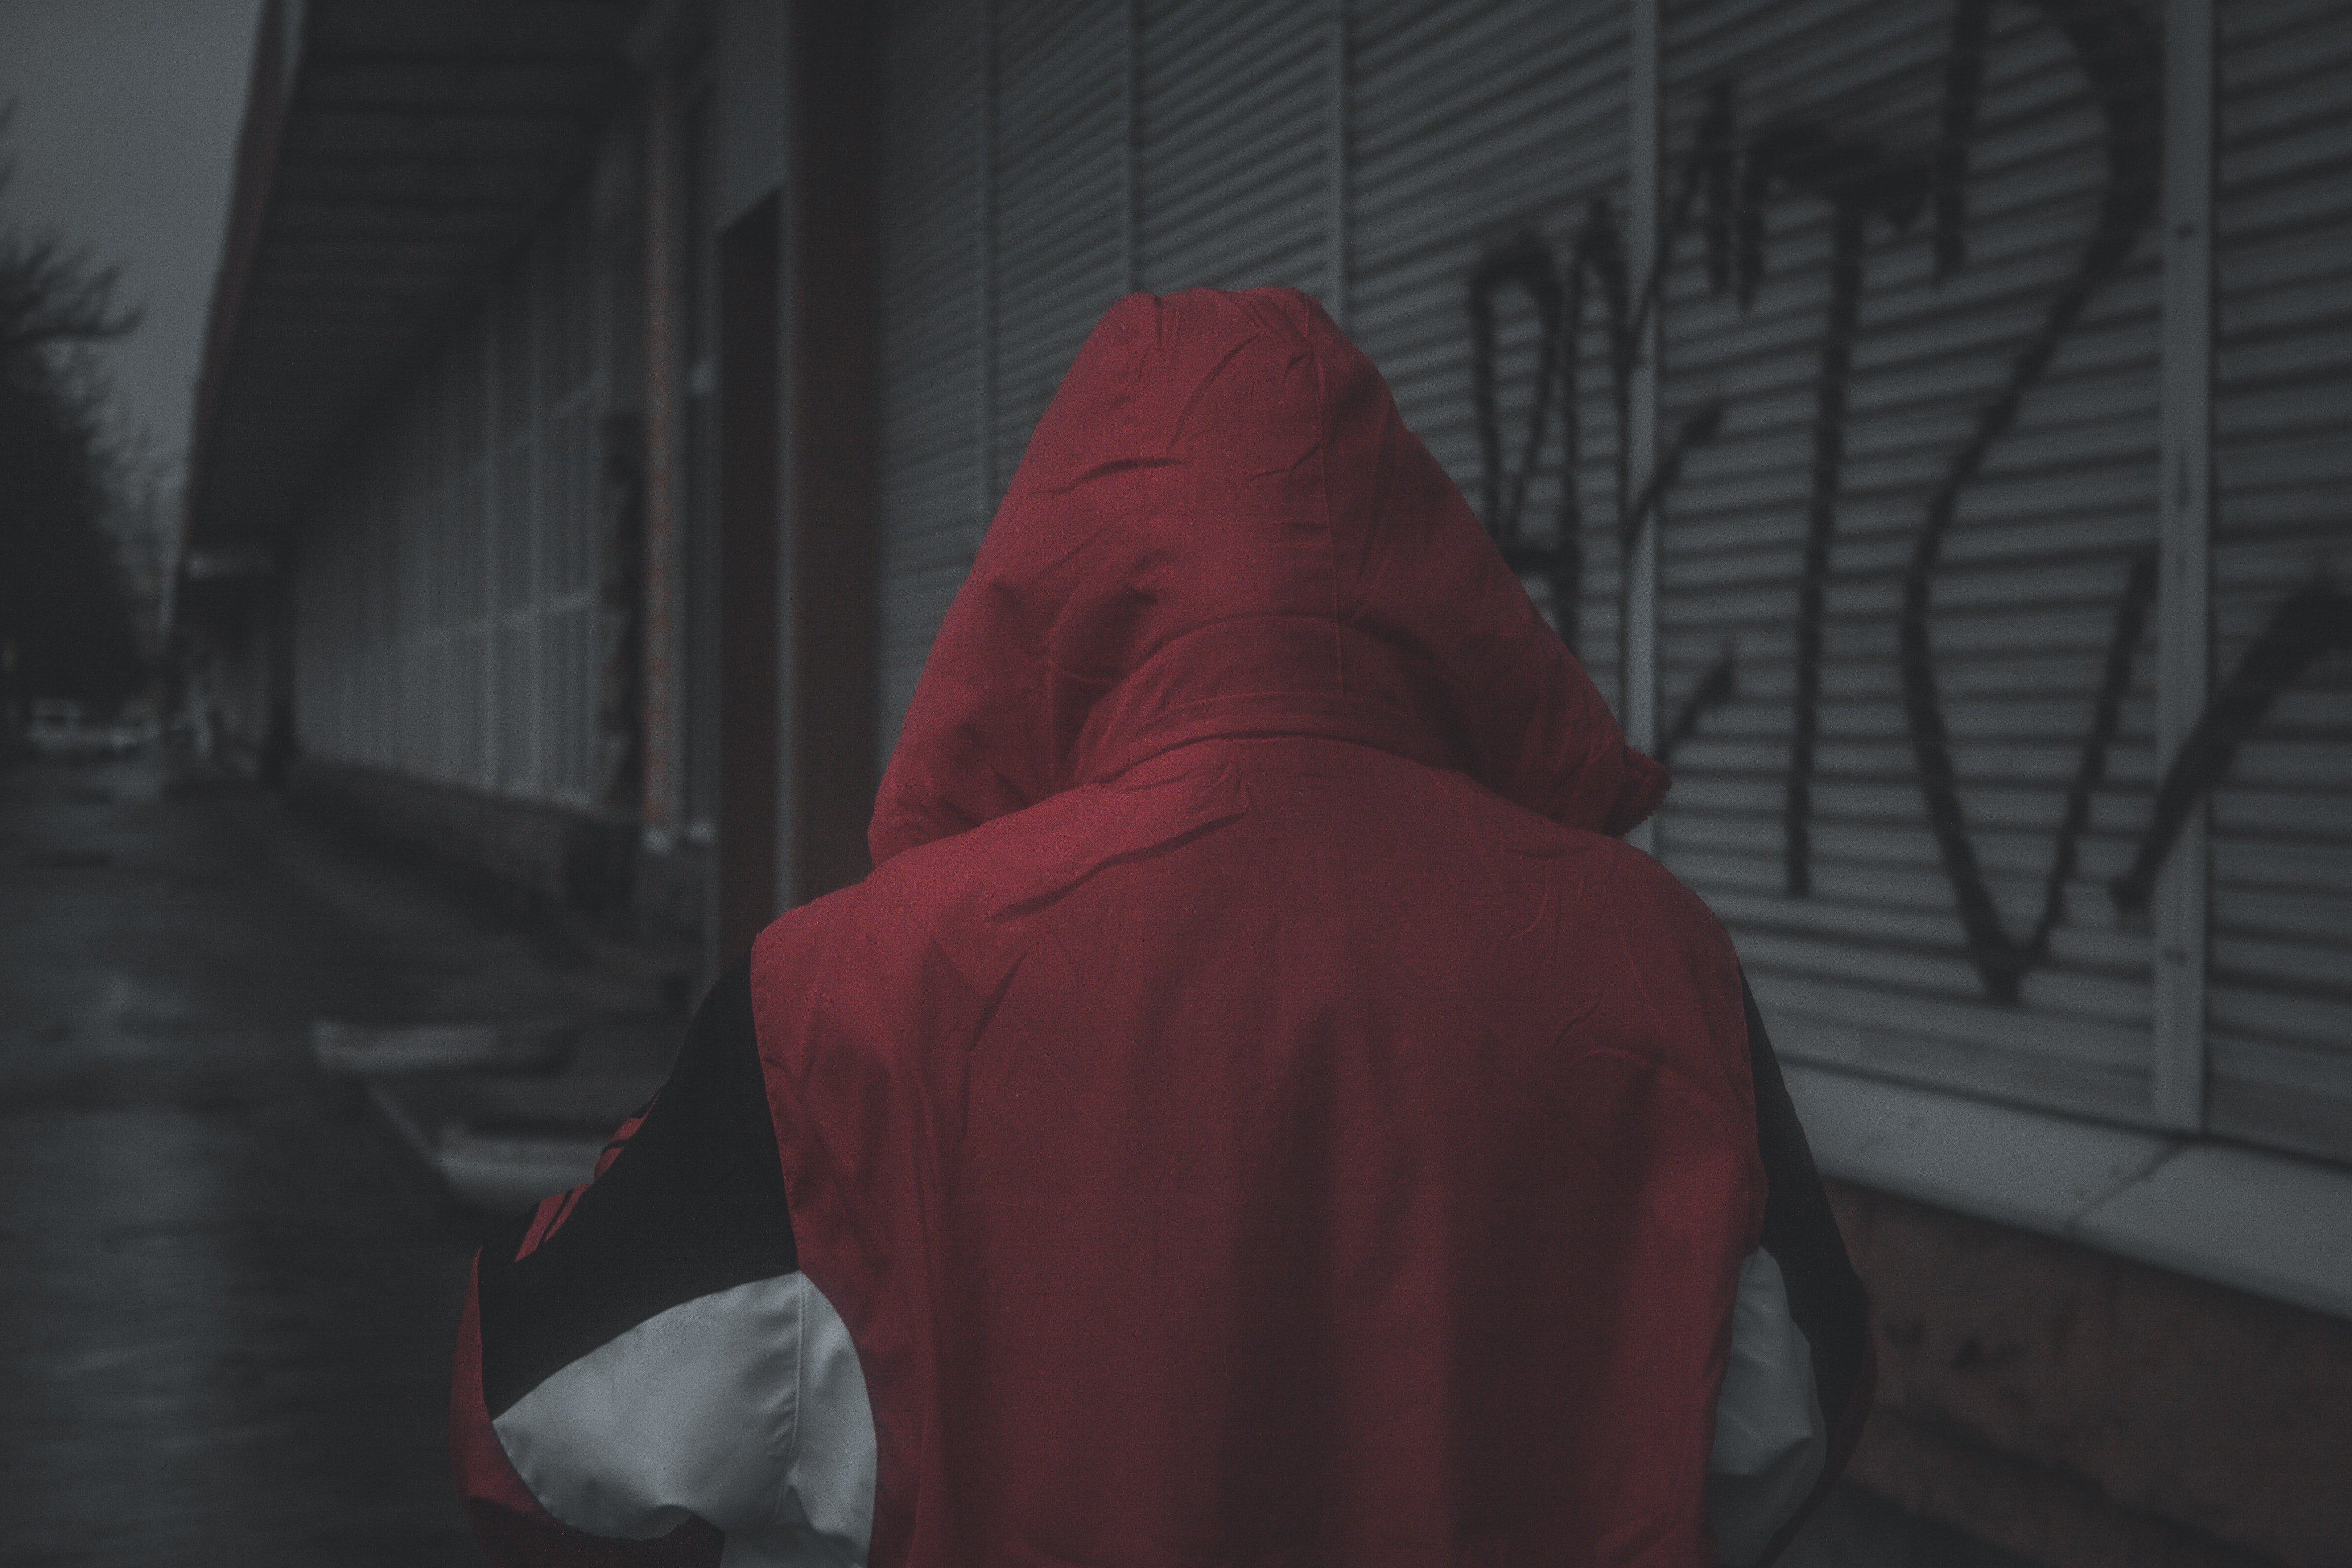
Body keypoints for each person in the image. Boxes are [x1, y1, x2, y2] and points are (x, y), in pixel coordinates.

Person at [450, 286, 1872, 1567]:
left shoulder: (843, 998)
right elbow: (1787, 1417)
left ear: (1050, 582)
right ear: (1425, 572)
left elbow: (541, 1424)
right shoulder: (1656, 960)